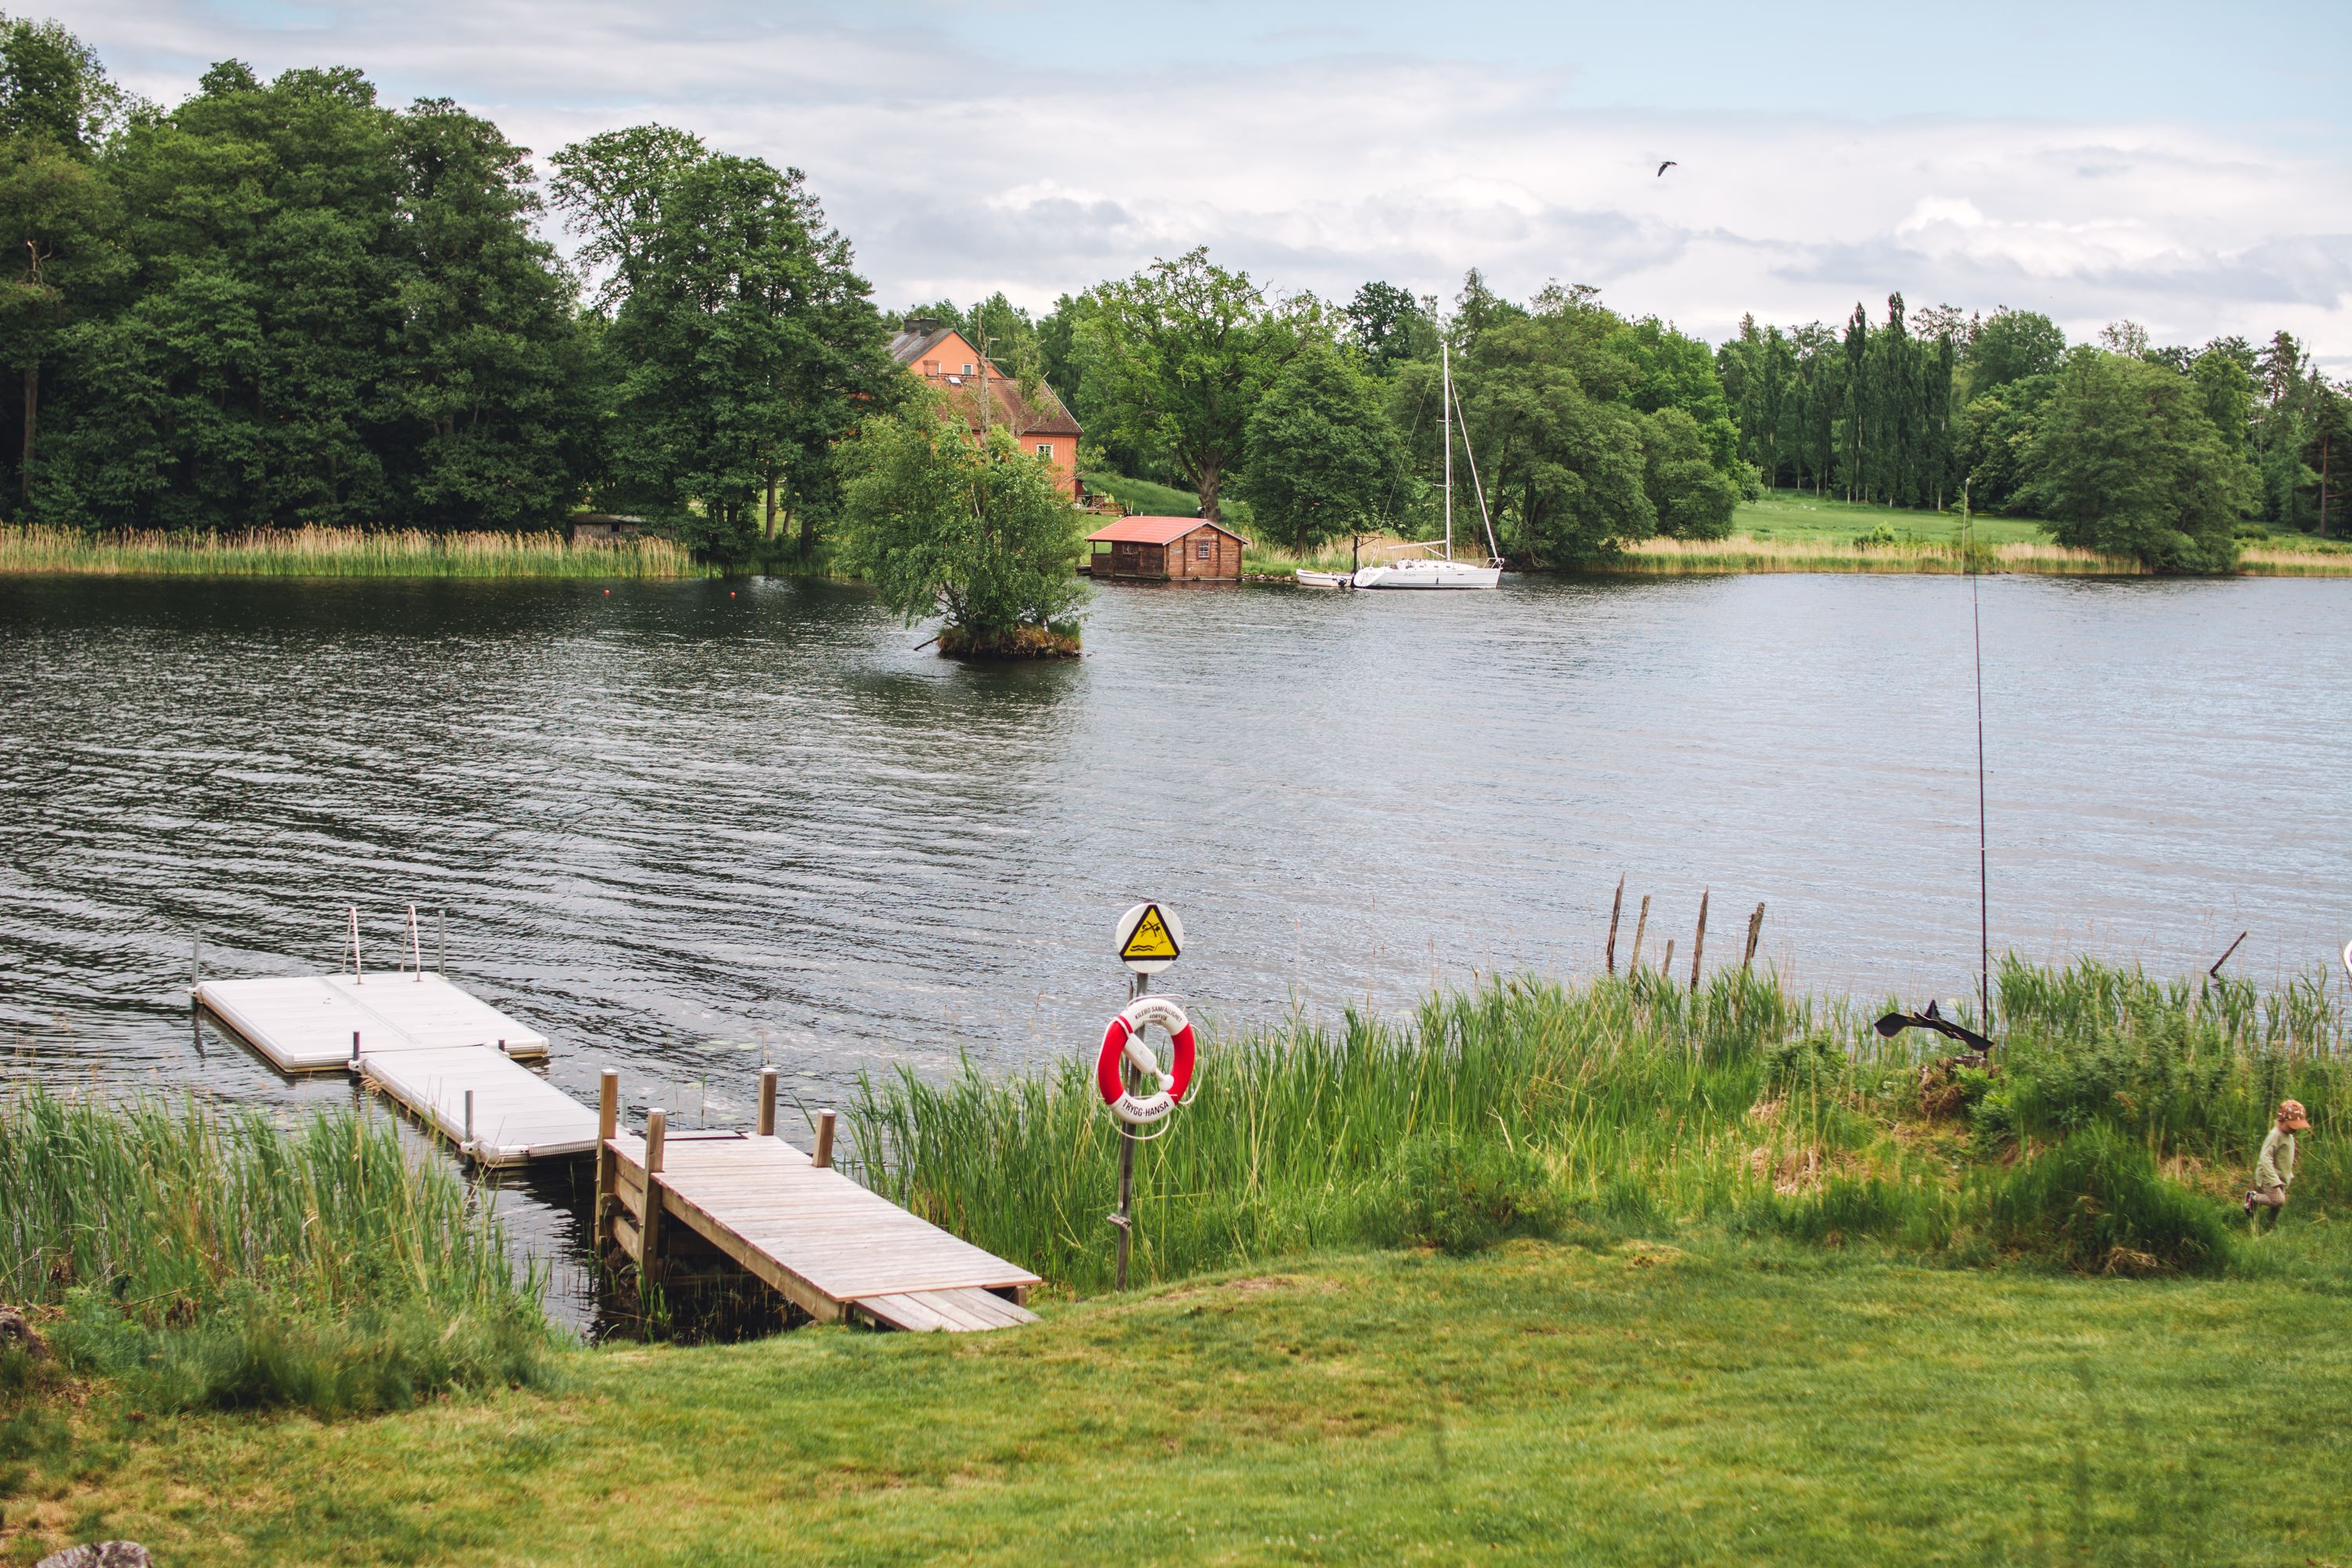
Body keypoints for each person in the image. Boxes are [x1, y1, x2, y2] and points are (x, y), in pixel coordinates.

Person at [2245, 1098, 2311, 1218]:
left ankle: (2269, 1227)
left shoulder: (2289, 1135)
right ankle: (2253, 1198)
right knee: (2278, 1200)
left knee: (2277, 1206)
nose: (2295, 1129)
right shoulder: (2275, 1135)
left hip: (2283, 1176)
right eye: (2293, 1125)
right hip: (2269, 1177)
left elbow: (2285, 1152)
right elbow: (2265, 1158)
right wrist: (2274, 1180)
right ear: (2283, 1120)